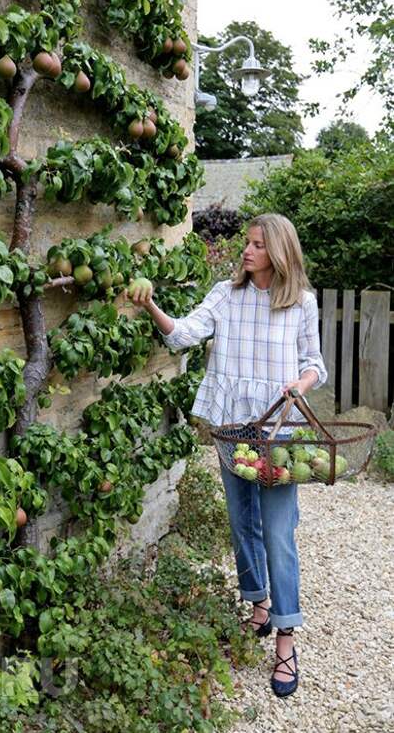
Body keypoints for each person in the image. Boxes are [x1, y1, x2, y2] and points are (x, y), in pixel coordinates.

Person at [128, 212, 327, 698]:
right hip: (232, 427)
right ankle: (257, 602)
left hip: (279, 429)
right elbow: (182, 334)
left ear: (279, 251)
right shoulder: (225, 294)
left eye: (258, 245)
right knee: (243, 524)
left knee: (279, 533)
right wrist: (152, 305)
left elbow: (314, 364)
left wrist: (299, 386)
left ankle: (285, 637)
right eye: (247, 243)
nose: (247, 251)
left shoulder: (301, 302)